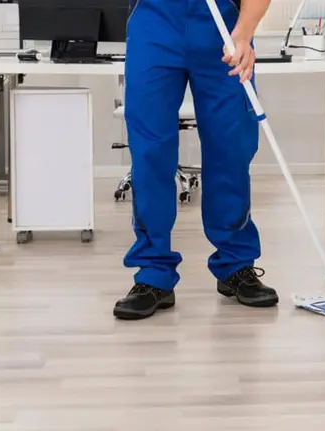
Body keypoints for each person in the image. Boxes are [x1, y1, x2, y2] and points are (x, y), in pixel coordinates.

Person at [113, 0, 278, 320]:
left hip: (223, 26)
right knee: (150, 152)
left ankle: (236, 264)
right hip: (155, 23)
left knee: (231, 147)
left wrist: (243, 35)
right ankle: (153, 272)